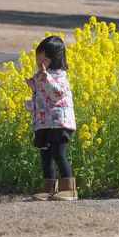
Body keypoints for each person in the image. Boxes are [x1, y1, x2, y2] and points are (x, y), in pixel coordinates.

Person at [26, 36, 78, 201]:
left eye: (40, 58)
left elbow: (56, 94)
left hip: (59, 122)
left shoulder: (60, 76)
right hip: (45, 122)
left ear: (50, 59)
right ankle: (49, 188)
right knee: (45, 154)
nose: (37, 61)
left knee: (58, 153)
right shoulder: (42, 75)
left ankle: (69, 189)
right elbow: (41, 98)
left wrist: (45, 79)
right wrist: (33, 89)